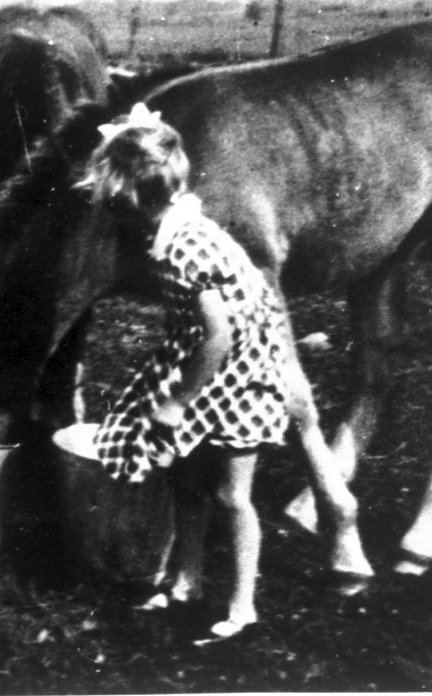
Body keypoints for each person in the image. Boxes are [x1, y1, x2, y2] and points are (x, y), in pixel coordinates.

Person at [71, 103, 372, 641]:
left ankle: (242, 607)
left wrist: (176, 400)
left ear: (136, 195)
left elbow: (220, 335)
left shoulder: (184, 248)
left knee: (233, 496)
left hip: (240, 378)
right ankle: (185, 582)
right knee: (186, 482)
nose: (109, 206)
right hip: (209, 367)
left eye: (114, 196)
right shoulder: (177, 229)